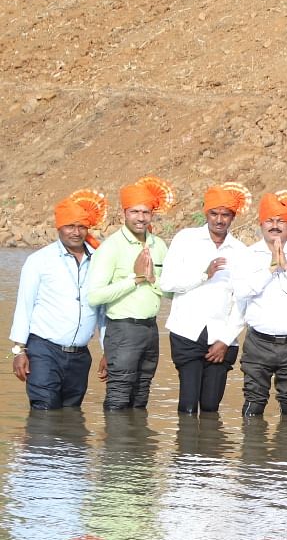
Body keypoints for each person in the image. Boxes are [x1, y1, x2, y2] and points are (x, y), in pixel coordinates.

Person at [9, 191, 107, 410]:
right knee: (44, 413)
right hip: (43, 352)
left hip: (81, 357)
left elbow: (102, 311)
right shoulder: (39, 261)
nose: (76, 232)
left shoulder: (100, 260)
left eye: (81, 226)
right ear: (58, 227)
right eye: (69, 226)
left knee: (72, 416)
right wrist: (18, 351)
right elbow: (24, 307)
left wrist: (106, 350)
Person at [161, 181, 250, 415]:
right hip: (186, 333)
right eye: (214, 213)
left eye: (225, 215)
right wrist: (203, 275)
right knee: (188, 406)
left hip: (222, 337)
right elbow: (167, 283)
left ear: (233, 217)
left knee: (210, 407)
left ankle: (210, 449)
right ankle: (186, 449)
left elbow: (242, 301)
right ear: (206, 213)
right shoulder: (185, 239)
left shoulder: (240, 250)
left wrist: (225, 339)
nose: (219, 220)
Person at [86, 175, 173, 411]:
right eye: (135, 212)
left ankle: (138, 446)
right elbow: (94, 296)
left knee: (142, 392)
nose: (140, 217)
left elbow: (170, 292)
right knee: (119, 393)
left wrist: (152, 279)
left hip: (151, 329)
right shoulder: (110, 247)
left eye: (145, 212)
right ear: (124, 213)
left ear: (152, 215)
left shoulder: (159, 245)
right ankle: (116, 447)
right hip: (123, 329)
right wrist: (135, 280)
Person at [236, 192, 287, 417]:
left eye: (280, 220)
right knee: (254, 403)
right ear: (261, 223)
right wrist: (271, 268)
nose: (275, 225)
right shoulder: (248, 254)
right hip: (258, 342)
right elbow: (241, 292)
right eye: (270, 220)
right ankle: (253, 450)